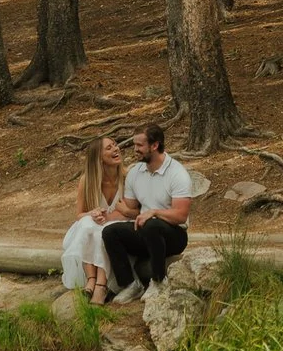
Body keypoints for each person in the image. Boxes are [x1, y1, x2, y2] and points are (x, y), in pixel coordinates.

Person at [99, 118, 192, 295]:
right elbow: (130, 209)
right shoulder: (135, 172)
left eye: (140, 145)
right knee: (110, 232)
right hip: (145, 231)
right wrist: (101, 215)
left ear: (155, 145)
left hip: (174, 236)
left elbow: (181, 215)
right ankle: (129, 285)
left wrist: (154, 212)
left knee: (152, 224)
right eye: (135, 145)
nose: (135, 150)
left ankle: (158, 281)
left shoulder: (177, 174)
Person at [62, 134, 125, 303]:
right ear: (99, 158)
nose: (116, 149)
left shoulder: (126, 177)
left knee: (104, 232)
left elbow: (132, 210)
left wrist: (110, 216)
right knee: (86, 224)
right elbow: (79, 214)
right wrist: (93, 213)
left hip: (120, 224)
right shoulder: (87, 180)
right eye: (109, 148)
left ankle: (101, 285)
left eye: (115, 145)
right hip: (97, 224)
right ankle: (91, 277)